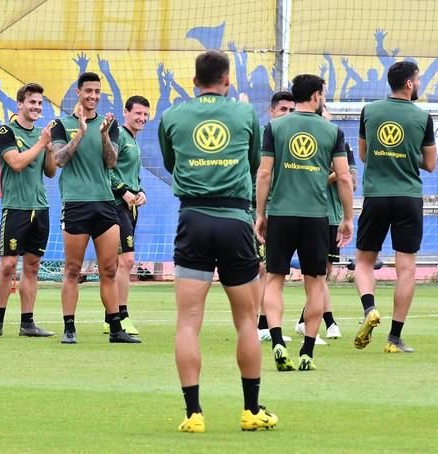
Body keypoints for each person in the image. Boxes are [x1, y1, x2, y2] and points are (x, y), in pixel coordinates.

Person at [159, 50, 277, 433]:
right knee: (246, 320)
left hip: (193, 219)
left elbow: (171, 163)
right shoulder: (244, 114)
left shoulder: (173, 116)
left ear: (194, 82)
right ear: (227, 80)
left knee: (188, 323)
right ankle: (251, 410)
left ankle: (193, 415)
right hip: (234, 220)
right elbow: (252, 162)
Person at [255, 74, 354, 372]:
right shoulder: (332, 131)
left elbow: (264, 174)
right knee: (315, 283)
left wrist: (261, 213)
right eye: (322, 93)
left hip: (282, 214)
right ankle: (307, 351)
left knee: (274, 279)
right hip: (316, 218)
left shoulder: (275, 127)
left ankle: (276, 341)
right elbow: (345, 177)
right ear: (315, 95)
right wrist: (348, 218)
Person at [51, 72, 140, 344]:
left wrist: (102, 135)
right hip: (76, 204)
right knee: (73, 269)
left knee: (110, 269)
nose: (93, 96)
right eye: (88, 91)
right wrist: (79, 133)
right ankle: (69, 328)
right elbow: (59, 159)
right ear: (78, 92)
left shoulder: (109, 125)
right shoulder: (60, 124)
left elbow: (111, 162)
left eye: (97, 92)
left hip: (104, 204)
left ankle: (115, 328)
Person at [354, 61, 436, 353]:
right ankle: (394, 338)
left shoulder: (370, 111)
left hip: (377, 195)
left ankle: (369, 308)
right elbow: (429, 164)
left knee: (364, 262)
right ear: (410, 84)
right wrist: (406, 154)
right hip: (407, 197)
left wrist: (387, 154)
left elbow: (364, 155)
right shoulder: (422, 117)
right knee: (407, 269)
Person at [0, 83, 56, 338]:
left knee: (32, 266)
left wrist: (51, 149)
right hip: (15, 208)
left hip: (40, 207)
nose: (36, 107)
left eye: (39, 103)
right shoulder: (6, 131)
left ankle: (28, 323)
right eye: (32, 102)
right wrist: (42, 142)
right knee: (8, 265)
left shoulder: (41, 135)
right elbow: (16, 163)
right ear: (20, 105)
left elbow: (50, 171)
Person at [294, 105, 357, 342]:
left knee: (325, 272)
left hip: (334, 215)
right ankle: (326, 322)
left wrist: (329, 174)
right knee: (317, 273)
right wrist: (328, 174)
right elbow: (307, 178)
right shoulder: (306, 144)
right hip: (312, 214)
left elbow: (351, 180)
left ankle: (305, 321)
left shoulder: (342, 145)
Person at [102, 95, 150, 336]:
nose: (141, 118)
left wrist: (139, 192)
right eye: (137, 114)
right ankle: (121, 315)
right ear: (126, 112)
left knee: (119, 262)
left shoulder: (133, 140)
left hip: (129, 206)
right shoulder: (118, 134)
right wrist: (124, 192)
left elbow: (132, 176)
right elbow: (106, 170)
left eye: (145, 115)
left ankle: (109, 317)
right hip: (115, 205)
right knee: (126, 260)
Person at [256, 91, 295, 343]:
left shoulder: (292, 140)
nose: (287, 115)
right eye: (283, 110)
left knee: (269, 271)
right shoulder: (263, 137)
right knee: (262, 269)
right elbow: (258, 174)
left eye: (292, 110)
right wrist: (256, 210)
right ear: (272, 111)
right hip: (259, 211)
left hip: (281, 212)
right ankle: (260, 325)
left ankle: (263, 325)